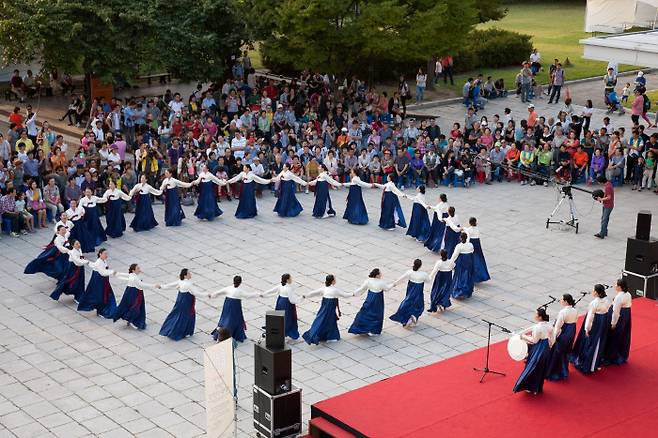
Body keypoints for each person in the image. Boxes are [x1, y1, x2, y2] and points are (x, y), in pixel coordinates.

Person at [302, 274, 354, 344]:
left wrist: (305, 295)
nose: (335, 280)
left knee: (321, 321)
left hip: (324, 308)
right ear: (332, 281)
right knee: (331, 322)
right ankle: (331, 337)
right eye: (334, 279)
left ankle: (326, 336)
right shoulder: (335, 290)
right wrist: (353, 294)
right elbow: (345, 295)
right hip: (330, 309)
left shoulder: (324, 288)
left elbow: (313, 293)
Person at [570, 284, 611, 374]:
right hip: (603, 321)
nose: (592, 291)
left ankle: (586, 364)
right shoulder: (607, 301)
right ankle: (596, 363)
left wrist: (587, 329)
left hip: (595, 323)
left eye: (593, 290)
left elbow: (590, 317)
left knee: (590, 342)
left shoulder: (594, 303)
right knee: (599, 341)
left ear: (596, 292)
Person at [512, 307, 553, 394]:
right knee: (540, 368)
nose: (534, 316)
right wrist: (549, 346)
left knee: (532, 366)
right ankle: (537, 388)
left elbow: (534, 340)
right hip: (545, 347)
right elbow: (552, 339)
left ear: (540, 317)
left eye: (536, 314)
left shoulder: (537, 328)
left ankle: (530, 387)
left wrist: (523, 336)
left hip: (538, 348)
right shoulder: (549, 325)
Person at [208, 275, 260, 342]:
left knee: (225, 319)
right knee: (234, 320)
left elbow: (219, 292)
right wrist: (257, 294)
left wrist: (212, 295)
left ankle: (220, 333)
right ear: (240, 282)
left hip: (227, 305)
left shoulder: (229, 288)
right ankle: (228, 335)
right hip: (235, 306)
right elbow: (248, 296)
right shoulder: (240, 291)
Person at [160, 269, 204, 340]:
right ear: (185, 275)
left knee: (176, 315)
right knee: (187, 316)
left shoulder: (180, 281)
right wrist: (207, 295)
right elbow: (196, 293)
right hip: (187, 302)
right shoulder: (188, 284)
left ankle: (170, 330)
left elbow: (169, 285)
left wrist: (161, 286)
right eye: (189, 273)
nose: (191, 274)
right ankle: (183, 332)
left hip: (180, 300)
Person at [113, 263, 161, 330]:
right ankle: (133, 321)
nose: (139, 269)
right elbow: (142, 285)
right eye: (138, 268)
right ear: (133, 270)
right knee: (136, 308)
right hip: (135, 294)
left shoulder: (133, 275)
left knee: (135, 307)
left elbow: (126, 275)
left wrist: (117, 274)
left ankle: (129, 319)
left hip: (133, 292)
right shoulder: (134, 278)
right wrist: (154, 285)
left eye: (139, 268)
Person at [349, 268, 394, 336]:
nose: (381, 274)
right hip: (378, 300)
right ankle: (374, 330)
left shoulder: (368, 281)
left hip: (370, 298)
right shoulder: (381, 282)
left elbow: (361, 288)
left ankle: (361, 328)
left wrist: (354, 293)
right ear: (377, 275)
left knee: (365, 312)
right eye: (380, 273)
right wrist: (393, 284)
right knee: (377, 315)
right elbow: (387, 289)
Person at [545, 294, 578, 381]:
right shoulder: (574, 310)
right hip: (572, 330)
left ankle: (556, 370)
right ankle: (564, 369)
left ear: (566, 301)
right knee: (566, 350)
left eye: (562, 299)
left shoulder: (563, 312)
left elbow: (557, 327)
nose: (560, 300)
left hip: (564, 331)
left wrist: (553, 338)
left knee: (558, 350)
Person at [77, 248, 117, 319]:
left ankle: (106, 308)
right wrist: (112, 272)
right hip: (99, 281)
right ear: (100, 254)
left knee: (106, 294)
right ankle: (101, 311)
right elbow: (102, 272)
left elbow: (93, 265)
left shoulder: (103, 261)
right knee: (100, 295)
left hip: (103, 280)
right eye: (105, 254)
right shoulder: (99, 262)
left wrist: (88, 262)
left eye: (107, 254)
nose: (106, 255)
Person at [389, 259, 430, 327]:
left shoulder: (410, 272)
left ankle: (407, 318)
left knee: (408, 303)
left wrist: (394, 284)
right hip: (419, 292)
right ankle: (414, 315)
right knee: (419, 305)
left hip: (410, 291)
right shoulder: (423, 274)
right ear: (420, 266)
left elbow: (401, 279)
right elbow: (428, 280)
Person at [602, 279, 632, 366]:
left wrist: (613, 323)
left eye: (616, 285)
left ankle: (609, 357)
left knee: (614, 336)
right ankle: (620, 353)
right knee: (623, 335)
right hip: (626, 316)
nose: (615, 286)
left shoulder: (619, 297)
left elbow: (616, 312)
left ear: (619, 287)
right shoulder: (628, 294)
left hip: (619, 318)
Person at [262, 273, 301, 340]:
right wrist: (301, 299)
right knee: (287, 319)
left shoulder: (280, 286)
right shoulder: (289, 288)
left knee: (279, 317)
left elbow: (272, 291)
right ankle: (286, 332)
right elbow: (292, 300)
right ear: (287, 280)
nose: (292, 279)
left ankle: (275, 329)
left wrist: (264, 294)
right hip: (287, 304)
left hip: (280, 302)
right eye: (290, 278)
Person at [449, 233, 475, 299]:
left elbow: (455, 255)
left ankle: (459, 291)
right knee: (467, 275)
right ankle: (467, 290)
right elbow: (472, 251)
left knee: (459, 275)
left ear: (460, 238)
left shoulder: (459, 246)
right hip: (469, 261)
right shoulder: (470, 244)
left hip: (461, 261)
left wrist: (451, 262)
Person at [465, 217, 490, 283]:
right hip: (477, 243)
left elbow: (467, 237)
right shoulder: (478, 229)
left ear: (469, 223)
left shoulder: (469, 229)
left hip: (471, 243)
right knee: (479, 259)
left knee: (471, 260)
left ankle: (471, 276)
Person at [594, 175, 614, 239]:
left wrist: (601, 199)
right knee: (605, 218)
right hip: (607, 205)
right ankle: (605, 231)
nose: (598, 183)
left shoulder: (607, 187)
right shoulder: (609, 184)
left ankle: (601, 234)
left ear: (601, 182)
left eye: (598, 182)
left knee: (604, 220)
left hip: (608, 206)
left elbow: (609, 197)